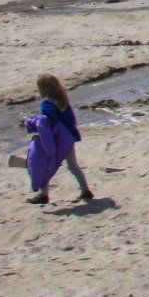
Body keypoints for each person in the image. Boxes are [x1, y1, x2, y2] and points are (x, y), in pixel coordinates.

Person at [22, 73, 92, 205]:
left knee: (46, 164)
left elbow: (48, 125)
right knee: (73, 165)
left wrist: (34, 123)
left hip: (56, 140)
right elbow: (71, 120)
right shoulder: (63, 101)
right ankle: (85, 190)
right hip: (68, 138)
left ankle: (44, 194)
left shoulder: (47, 105)